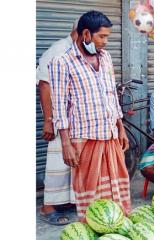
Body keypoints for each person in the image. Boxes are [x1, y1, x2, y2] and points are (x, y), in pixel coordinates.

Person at [49, 10, 131, 221]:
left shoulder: (105, 58)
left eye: (107, 37)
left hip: (110, 135)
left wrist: (120, 128)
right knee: (89, 188)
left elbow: (112, 94)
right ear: (86, 34)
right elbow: (59, 106)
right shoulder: (62, 62)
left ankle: (116, 224)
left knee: (117, 183)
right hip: (84, 137)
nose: (106, 42)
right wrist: (66, 143)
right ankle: (94, 225)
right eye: (101, 36)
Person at [37, 20, 78, 225]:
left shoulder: (76, 50)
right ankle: (47, 207)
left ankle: (67, 201)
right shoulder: (59, 49)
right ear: (82, 32)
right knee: (56, 161)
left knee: (70, 162)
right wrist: (48, 120)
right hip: (58, 117)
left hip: (74, 119)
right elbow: (44, 84)